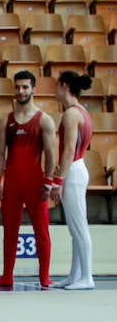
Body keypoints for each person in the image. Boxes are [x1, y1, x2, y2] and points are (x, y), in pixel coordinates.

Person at [0, 71, 57, 290]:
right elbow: (0, 153)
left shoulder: (44, 120)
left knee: (41, 230)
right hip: (13, 182)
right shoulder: (5, 121)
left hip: (35, 182)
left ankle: (44, 276)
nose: (21, 91)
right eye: (18, 87)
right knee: (9, 230)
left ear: (33, 89)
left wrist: (48, 181)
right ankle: (7, 275)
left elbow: (50, 152)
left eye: (25, 87)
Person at [51, 71, 95, 290]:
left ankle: (87, 276)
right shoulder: (83, 112)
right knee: (75, 227)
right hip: (78, 168)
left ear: (65, 85)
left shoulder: (70, 115)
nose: (55, 90)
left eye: (57, 85)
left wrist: (58, 180)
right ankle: (75, 274)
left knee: (79, 227)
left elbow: (68, 150)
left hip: (73, 170)